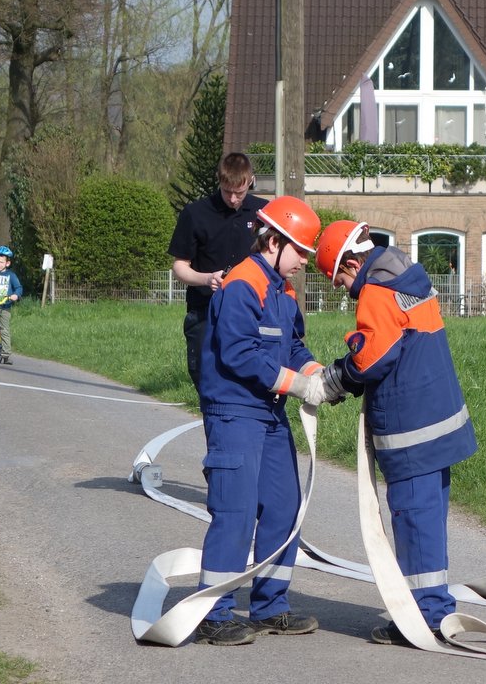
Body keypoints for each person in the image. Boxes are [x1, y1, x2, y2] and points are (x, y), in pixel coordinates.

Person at [314, 220, 478, 646]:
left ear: (352, 263)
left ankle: (425, 617)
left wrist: (336, 378)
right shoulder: (406, 276)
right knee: (429, 523)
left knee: (414, 524)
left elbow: (374, 355)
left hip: (411, 431)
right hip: (437, 421)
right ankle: (434, 607)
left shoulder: (377, 290)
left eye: (340, 279)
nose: (343, 290)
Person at [192, 195, 328, 647]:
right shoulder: (242, 285)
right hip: (234, 412)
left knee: (284, 507)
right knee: (236, 510)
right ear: (274, 241)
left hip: (269, 412)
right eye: (300, 251)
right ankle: (213, 614)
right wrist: (296, 384)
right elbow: (239, 353)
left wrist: (318, 376)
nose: (304, 262)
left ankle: (270, 607)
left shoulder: (283, 291)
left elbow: (292, 346)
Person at [168, 152, 268, 396]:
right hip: (205, 312)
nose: (233, 199)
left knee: (251, 385)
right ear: (219, 181)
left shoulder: (264, 213)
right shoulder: (195, 214)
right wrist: (206, 279)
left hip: (253, 314)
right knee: (208, 385)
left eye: (239, 193)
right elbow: (179, 266)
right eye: (227, 192)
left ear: (251, 181)